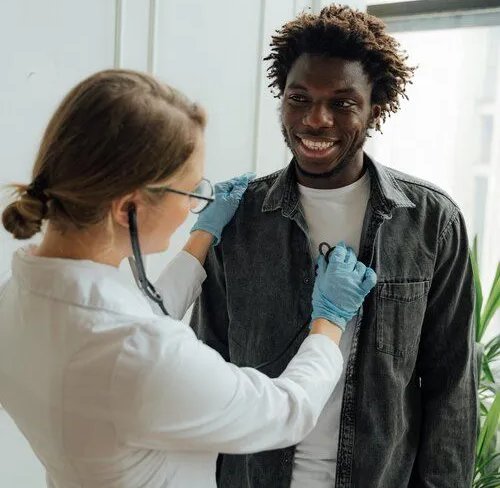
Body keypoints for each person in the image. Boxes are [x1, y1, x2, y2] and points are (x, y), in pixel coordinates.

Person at [0, 69, 377, 488]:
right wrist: (329, 320)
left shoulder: (17, 297)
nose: (195, 206)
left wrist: (201, 239)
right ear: (129, 209)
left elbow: (128, 325)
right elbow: (286, 411)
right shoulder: (136, 351)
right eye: (191, 192)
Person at [191, 4, 476, 488]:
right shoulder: (239, 219)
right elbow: (207, 363)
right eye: (299, 98)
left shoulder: (432, 222)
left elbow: (450, 385)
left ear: (375, 109)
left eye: (342, 103)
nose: (316, 120)